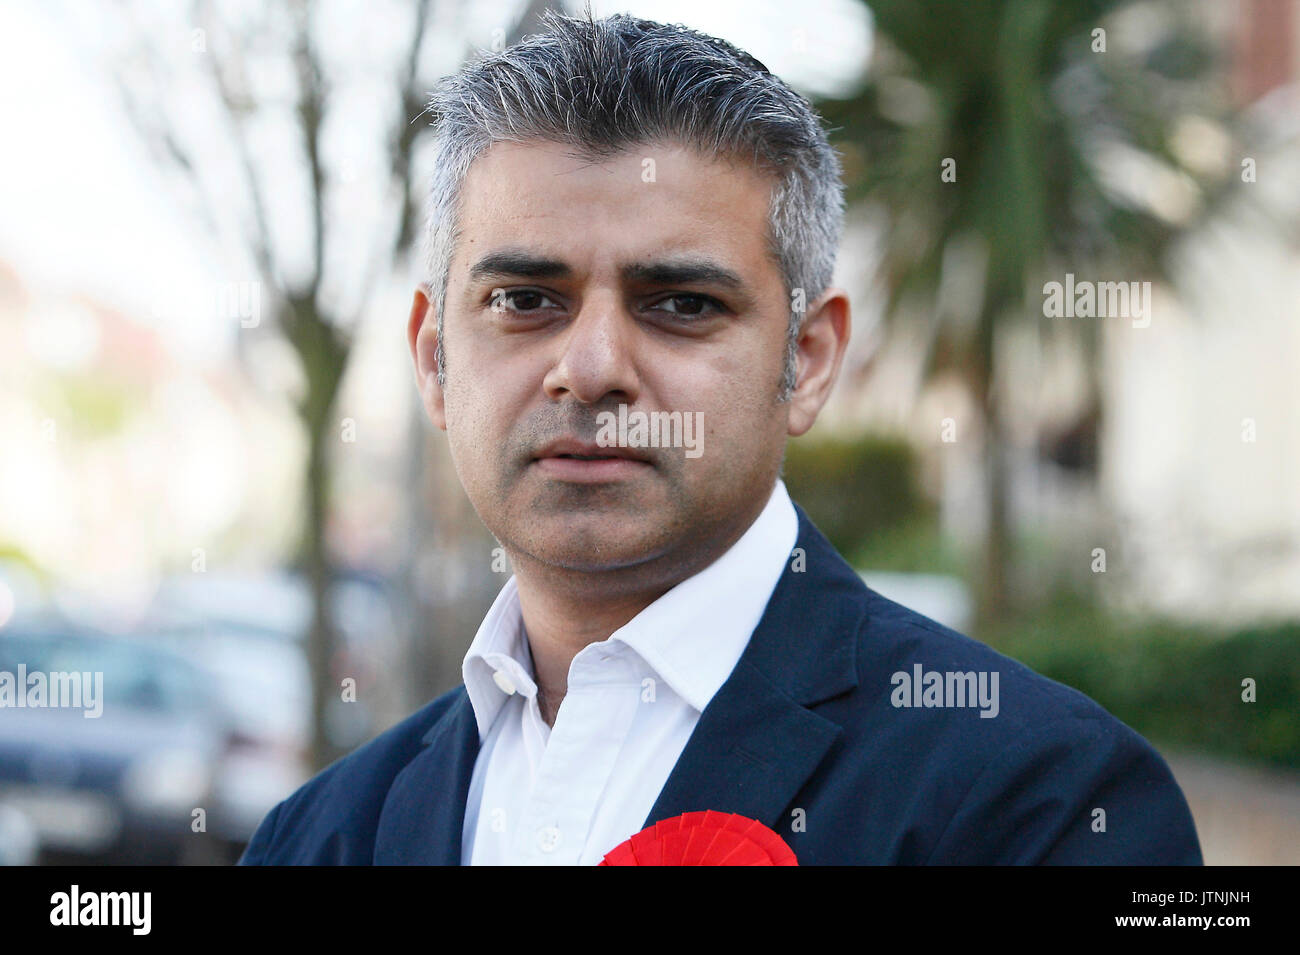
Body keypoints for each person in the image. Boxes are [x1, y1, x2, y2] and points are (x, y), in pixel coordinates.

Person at [240, 9, 1201, 865]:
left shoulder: (1043, 806)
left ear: (810, 359)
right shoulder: (316, 835)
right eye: (525, 299)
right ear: (433, 358)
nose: (592, 365)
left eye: (682, 303)